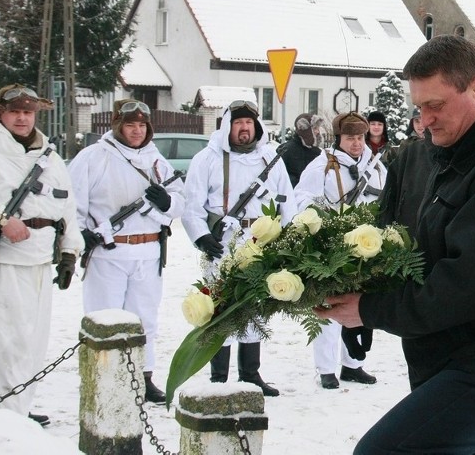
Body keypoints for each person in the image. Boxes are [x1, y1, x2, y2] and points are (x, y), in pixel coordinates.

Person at [314, 35, 475, 454]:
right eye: (419, 108)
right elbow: (395, 242)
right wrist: (358, 289)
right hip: (449, 357)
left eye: (435, 105)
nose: (426, 119)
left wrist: (369, 309)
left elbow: (464, 287)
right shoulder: (430, 155)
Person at [67, 99, 185, 405]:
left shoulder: (156, 160)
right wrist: (82, 234)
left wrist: (166, 203)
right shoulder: (93, 157)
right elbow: (73, 202)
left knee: (145, 318)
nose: (136, 131)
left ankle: (143, 377)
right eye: (130, 125)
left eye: (142, 125)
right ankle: (102, 378)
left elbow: (181, 202)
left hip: (147, 251)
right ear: (118, 126)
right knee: (105, 318)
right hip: (109, 252)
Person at [182, 99, 297, 397]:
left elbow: (287, 199)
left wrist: (287, 238)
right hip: (222, 242)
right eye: (238, 123)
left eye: (249, 123)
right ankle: (218, 376)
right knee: (219, 307)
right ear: (227, 126)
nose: (244, 128)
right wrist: (201, 236)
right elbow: (191, 205)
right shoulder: (206, 159)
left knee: (253, 307)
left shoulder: (269, 158)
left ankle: (250, 374)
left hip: (260, 240)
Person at [0, 84, 83, 426]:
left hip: (42, 260)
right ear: (2, 113)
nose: (21, 118)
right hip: (6, 262)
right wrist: (0, 219)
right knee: (7, 343)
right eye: (15, 111)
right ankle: (6, 419)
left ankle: (17, 409)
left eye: (27, 112)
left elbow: (67, 206)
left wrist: (70, 251)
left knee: (32, 344)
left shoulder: (50, 155)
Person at [295, 111, 386, 390]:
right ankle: (325, 369)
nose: (357, 143)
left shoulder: (376, 166)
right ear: (339, 139)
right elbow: (301, 198)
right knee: (330, 308)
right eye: (350, 138)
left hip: (366, 247)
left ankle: (353, 365)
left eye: (360, 137)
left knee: (359, 307)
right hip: (331, 247)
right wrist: (320, 216)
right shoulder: (322, 165)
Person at [278, 113, 327, 187]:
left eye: (318, 128)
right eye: (314, 128)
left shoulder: (318, 153)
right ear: (305, 130)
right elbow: (277, 177)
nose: (317, 131)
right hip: (291, 195)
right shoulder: (286, 150)